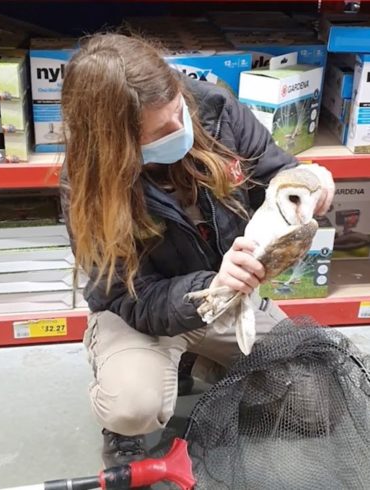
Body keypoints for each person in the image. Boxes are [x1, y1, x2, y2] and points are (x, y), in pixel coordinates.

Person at [59, 34, 335, 469]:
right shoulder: (86, 183)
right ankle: (125, 384)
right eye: (162, 129)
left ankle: (205, 362)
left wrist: (305, 183)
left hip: (229, 300)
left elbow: (275, 169)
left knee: (316, 403)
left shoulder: (214, 109)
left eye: (178, 111)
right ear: (120, 144)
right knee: (134, 407)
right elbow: (128, 296)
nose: (180, 127)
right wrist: (212, 284)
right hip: (145, 314)